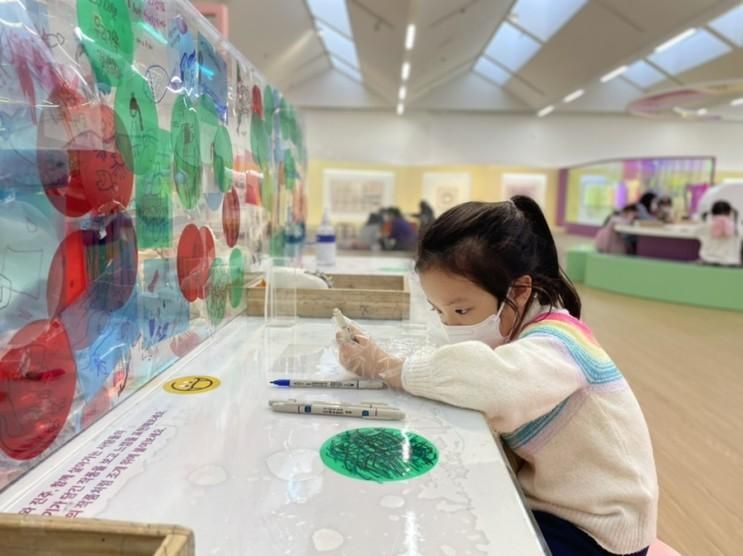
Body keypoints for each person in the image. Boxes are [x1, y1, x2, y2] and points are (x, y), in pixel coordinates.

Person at [336, 197, 658, 556]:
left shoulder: (560, 341)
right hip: (557, 506)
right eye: (438, 311)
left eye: (461, 309)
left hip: (599, 531)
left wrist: (385, 366)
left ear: (519, 290)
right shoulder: (521, 331)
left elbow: (494, 385)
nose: (449, 325)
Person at [697, 200, 741, 266]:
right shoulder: (737, 227)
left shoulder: (706, 226)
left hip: (708, 261)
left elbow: (696, 232)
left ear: (712, 212)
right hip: (731, 263)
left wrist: (706, 217)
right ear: (730, 212)